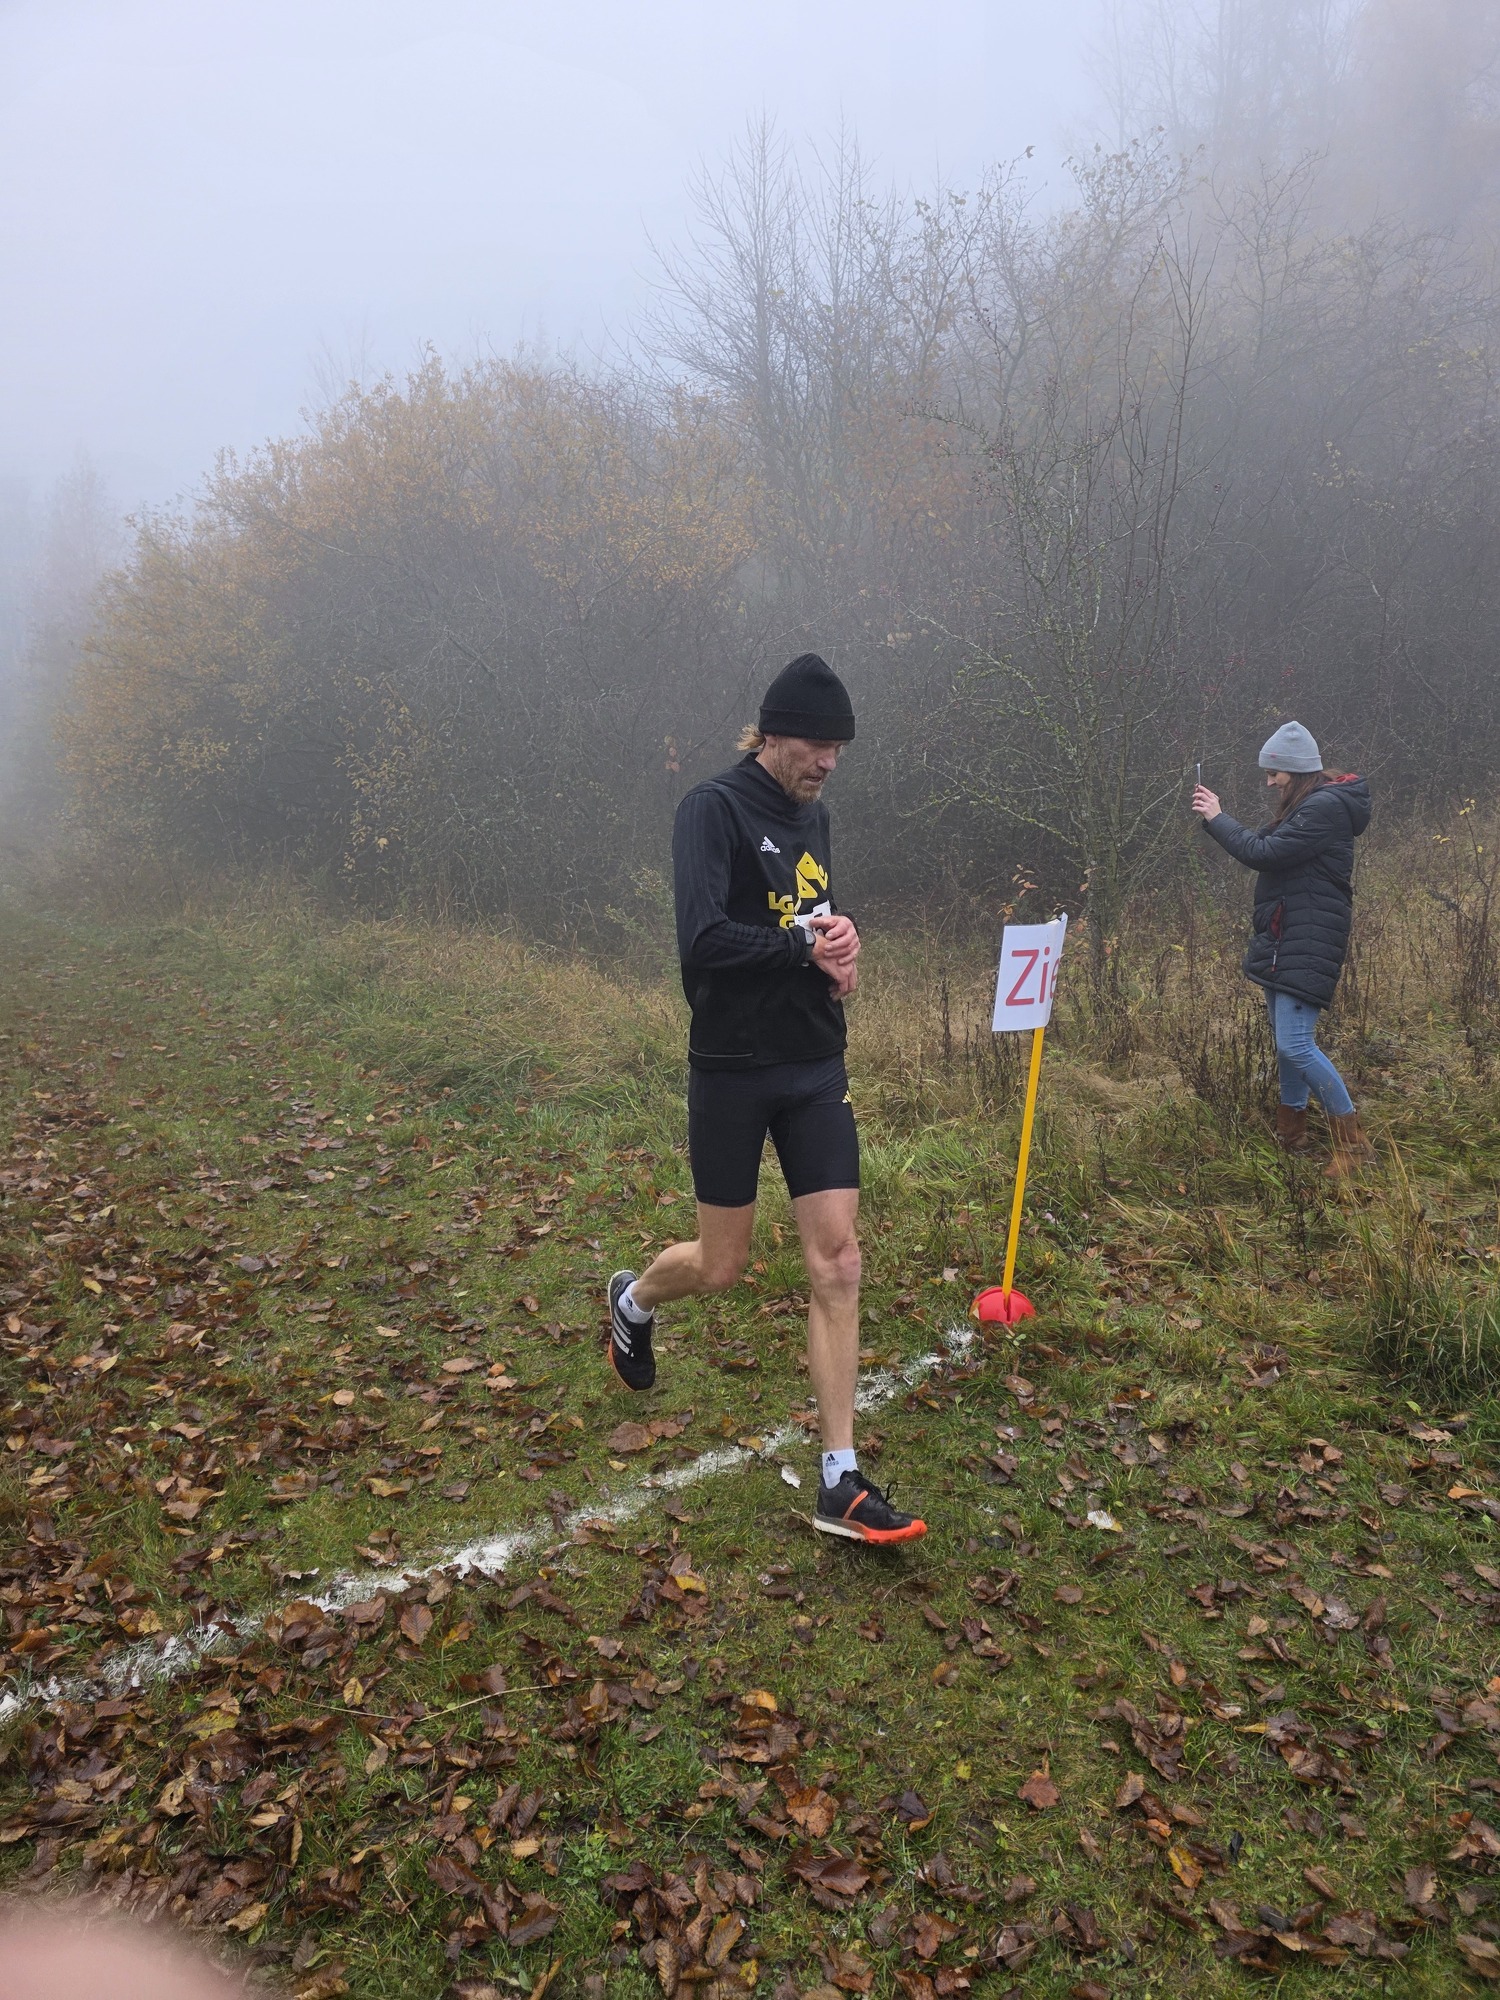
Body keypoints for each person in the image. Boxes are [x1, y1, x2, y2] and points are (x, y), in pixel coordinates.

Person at [606, 653, 926, 1544]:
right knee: (721, 1267)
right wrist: (800, 949)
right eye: (818, 747)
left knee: (839, 1261)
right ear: (773, 735)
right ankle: (634, 1302)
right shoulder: (711, 809)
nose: (829, 763)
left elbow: (812, 913)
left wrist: (841, 948)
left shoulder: (814, 815)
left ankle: (840, 1480)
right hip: (733, 1066)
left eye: (839, 750)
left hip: (814, 1061)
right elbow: (704, 938)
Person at [1192, 720, 1374, 1177]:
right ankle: (1292, 1132)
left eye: (1274, 773)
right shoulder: (1308, 806)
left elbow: (1263, 854)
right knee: (1286, 1044)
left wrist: (1217, 817)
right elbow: (1265, 844)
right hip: (1286, 934)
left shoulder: (1324, 808)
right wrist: (1219, 822)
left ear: (1296, 770)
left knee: (1295, 1044)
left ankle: (1353, 1145)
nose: (1270, 782)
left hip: (1307, 937)